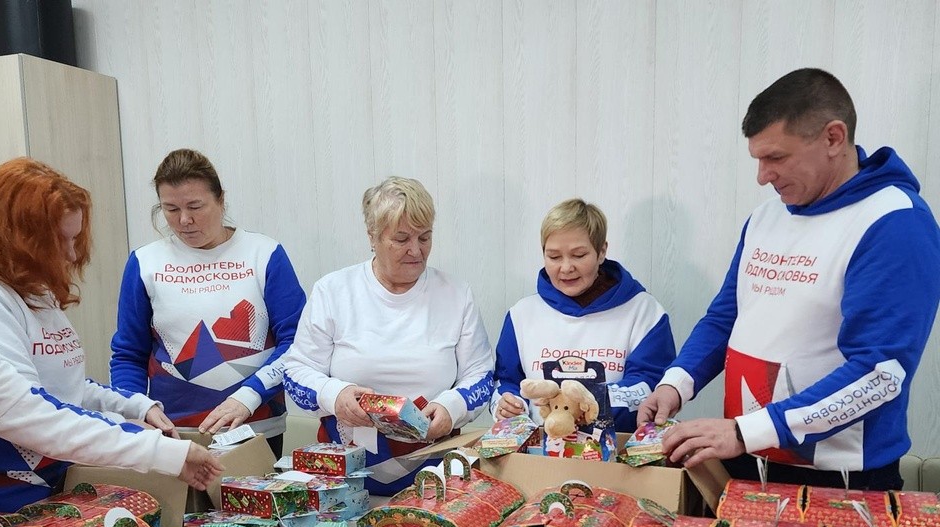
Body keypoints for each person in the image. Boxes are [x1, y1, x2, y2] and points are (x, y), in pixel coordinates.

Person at [637, 68, 940, 490]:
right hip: (744, 458)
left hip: (838, 479)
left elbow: (880, 373)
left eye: (776, 158)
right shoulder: (767, 216)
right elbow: (727, 316)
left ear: (834, 138)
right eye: (758, 159)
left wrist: (747, 431)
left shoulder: (893, 222)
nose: (763, 175)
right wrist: (675, 383)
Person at [0, 158, 186, 511]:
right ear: (19, 238)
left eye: (75, 239)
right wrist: (136, 437)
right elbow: (30, 411)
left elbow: (66, 388)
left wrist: (135, 405)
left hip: (53, 481)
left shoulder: (34, 291)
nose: (72, 254)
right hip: (3, 496)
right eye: (60, 241)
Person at [281, 176, 494, 495]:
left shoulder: (455, 294)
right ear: (373, 236)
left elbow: (481, 376)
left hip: (434, 473)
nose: (416, 251)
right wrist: (334, 395)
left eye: (425, 237)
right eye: (402, 238)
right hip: (345, 476)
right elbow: (295, 373)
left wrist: (451, 408)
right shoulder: (334, 290)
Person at [111, 149, 305, 457]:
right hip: (175, 433)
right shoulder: (145, 262)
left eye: (195, 206)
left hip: (255, 429)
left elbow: (297, 344)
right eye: (170, 209)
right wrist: (136, 408)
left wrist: (249, 396)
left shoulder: (264, 254)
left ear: (221, 200)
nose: (184, 220)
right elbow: (128, 354)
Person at [492, 198, 676, 431]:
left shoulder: (644, 312)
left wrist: (587, 401)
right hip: (542, 455)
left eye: (579, 255)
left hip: (618, 453)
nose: (566, 267)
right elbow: (506, 381)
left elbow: (651, 384)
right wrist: (508, 403)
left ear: (601, 252)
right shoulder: (521, 315)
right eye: (554, 257)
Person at [0, 343, 224, 503]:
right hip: (9, 493)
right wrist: (162, 449)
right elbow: (42, 421)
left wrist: (139, 409)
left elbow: (65, 389)